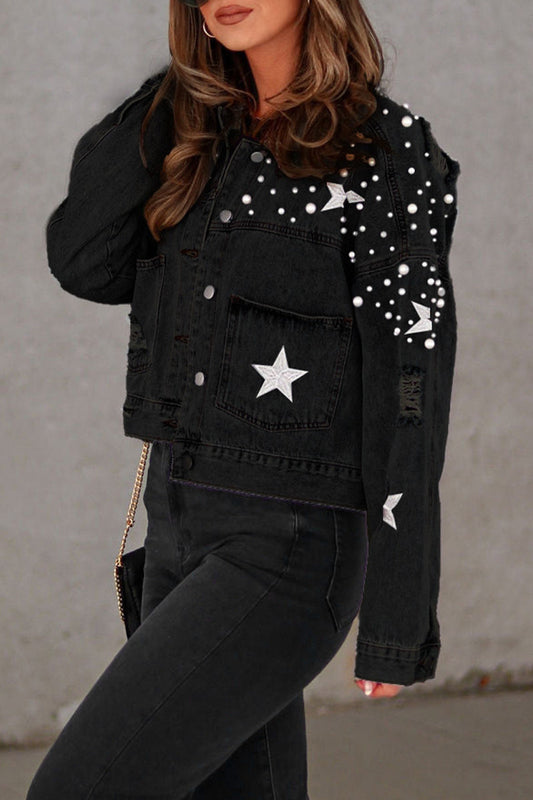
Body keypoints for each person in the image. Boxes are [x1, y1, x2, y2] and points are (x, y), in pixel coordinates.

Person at [27, 0, 460, 797]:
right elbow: (83, 259)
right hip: (174, 528)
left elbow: (410, 389)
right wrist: (177, 92)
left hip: (286, 549)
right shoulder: (198, 134)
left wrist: (397, 620)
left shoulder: (384, 152)